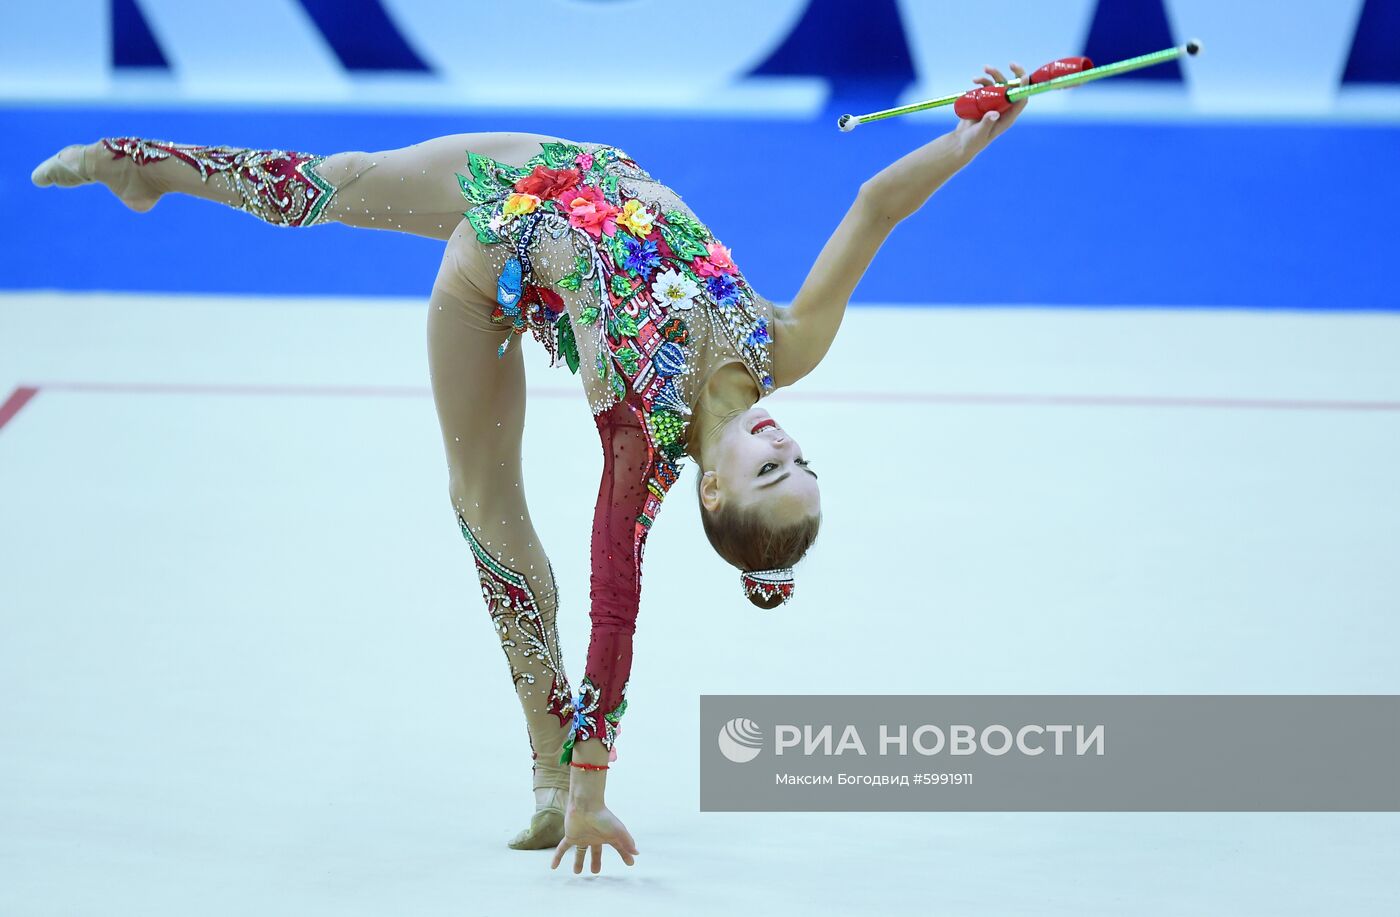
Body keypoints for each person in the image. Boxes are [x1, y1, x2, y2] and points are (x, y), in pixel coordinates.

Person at [32, 63, 1031, 875]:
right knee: (329, 183)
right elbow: (871, 207)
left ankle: (549, 765)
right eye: (801, 457)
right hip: (545, 175)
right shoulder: (784, 343)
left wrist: (594, 790)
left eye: (774, 472)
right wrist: (971, 132)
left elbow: (615, 611)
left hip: (482, 287)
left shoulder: (643, 442)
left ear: (713, 490)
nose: (783, 443)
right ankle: (143, 165)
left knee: (489, 511)